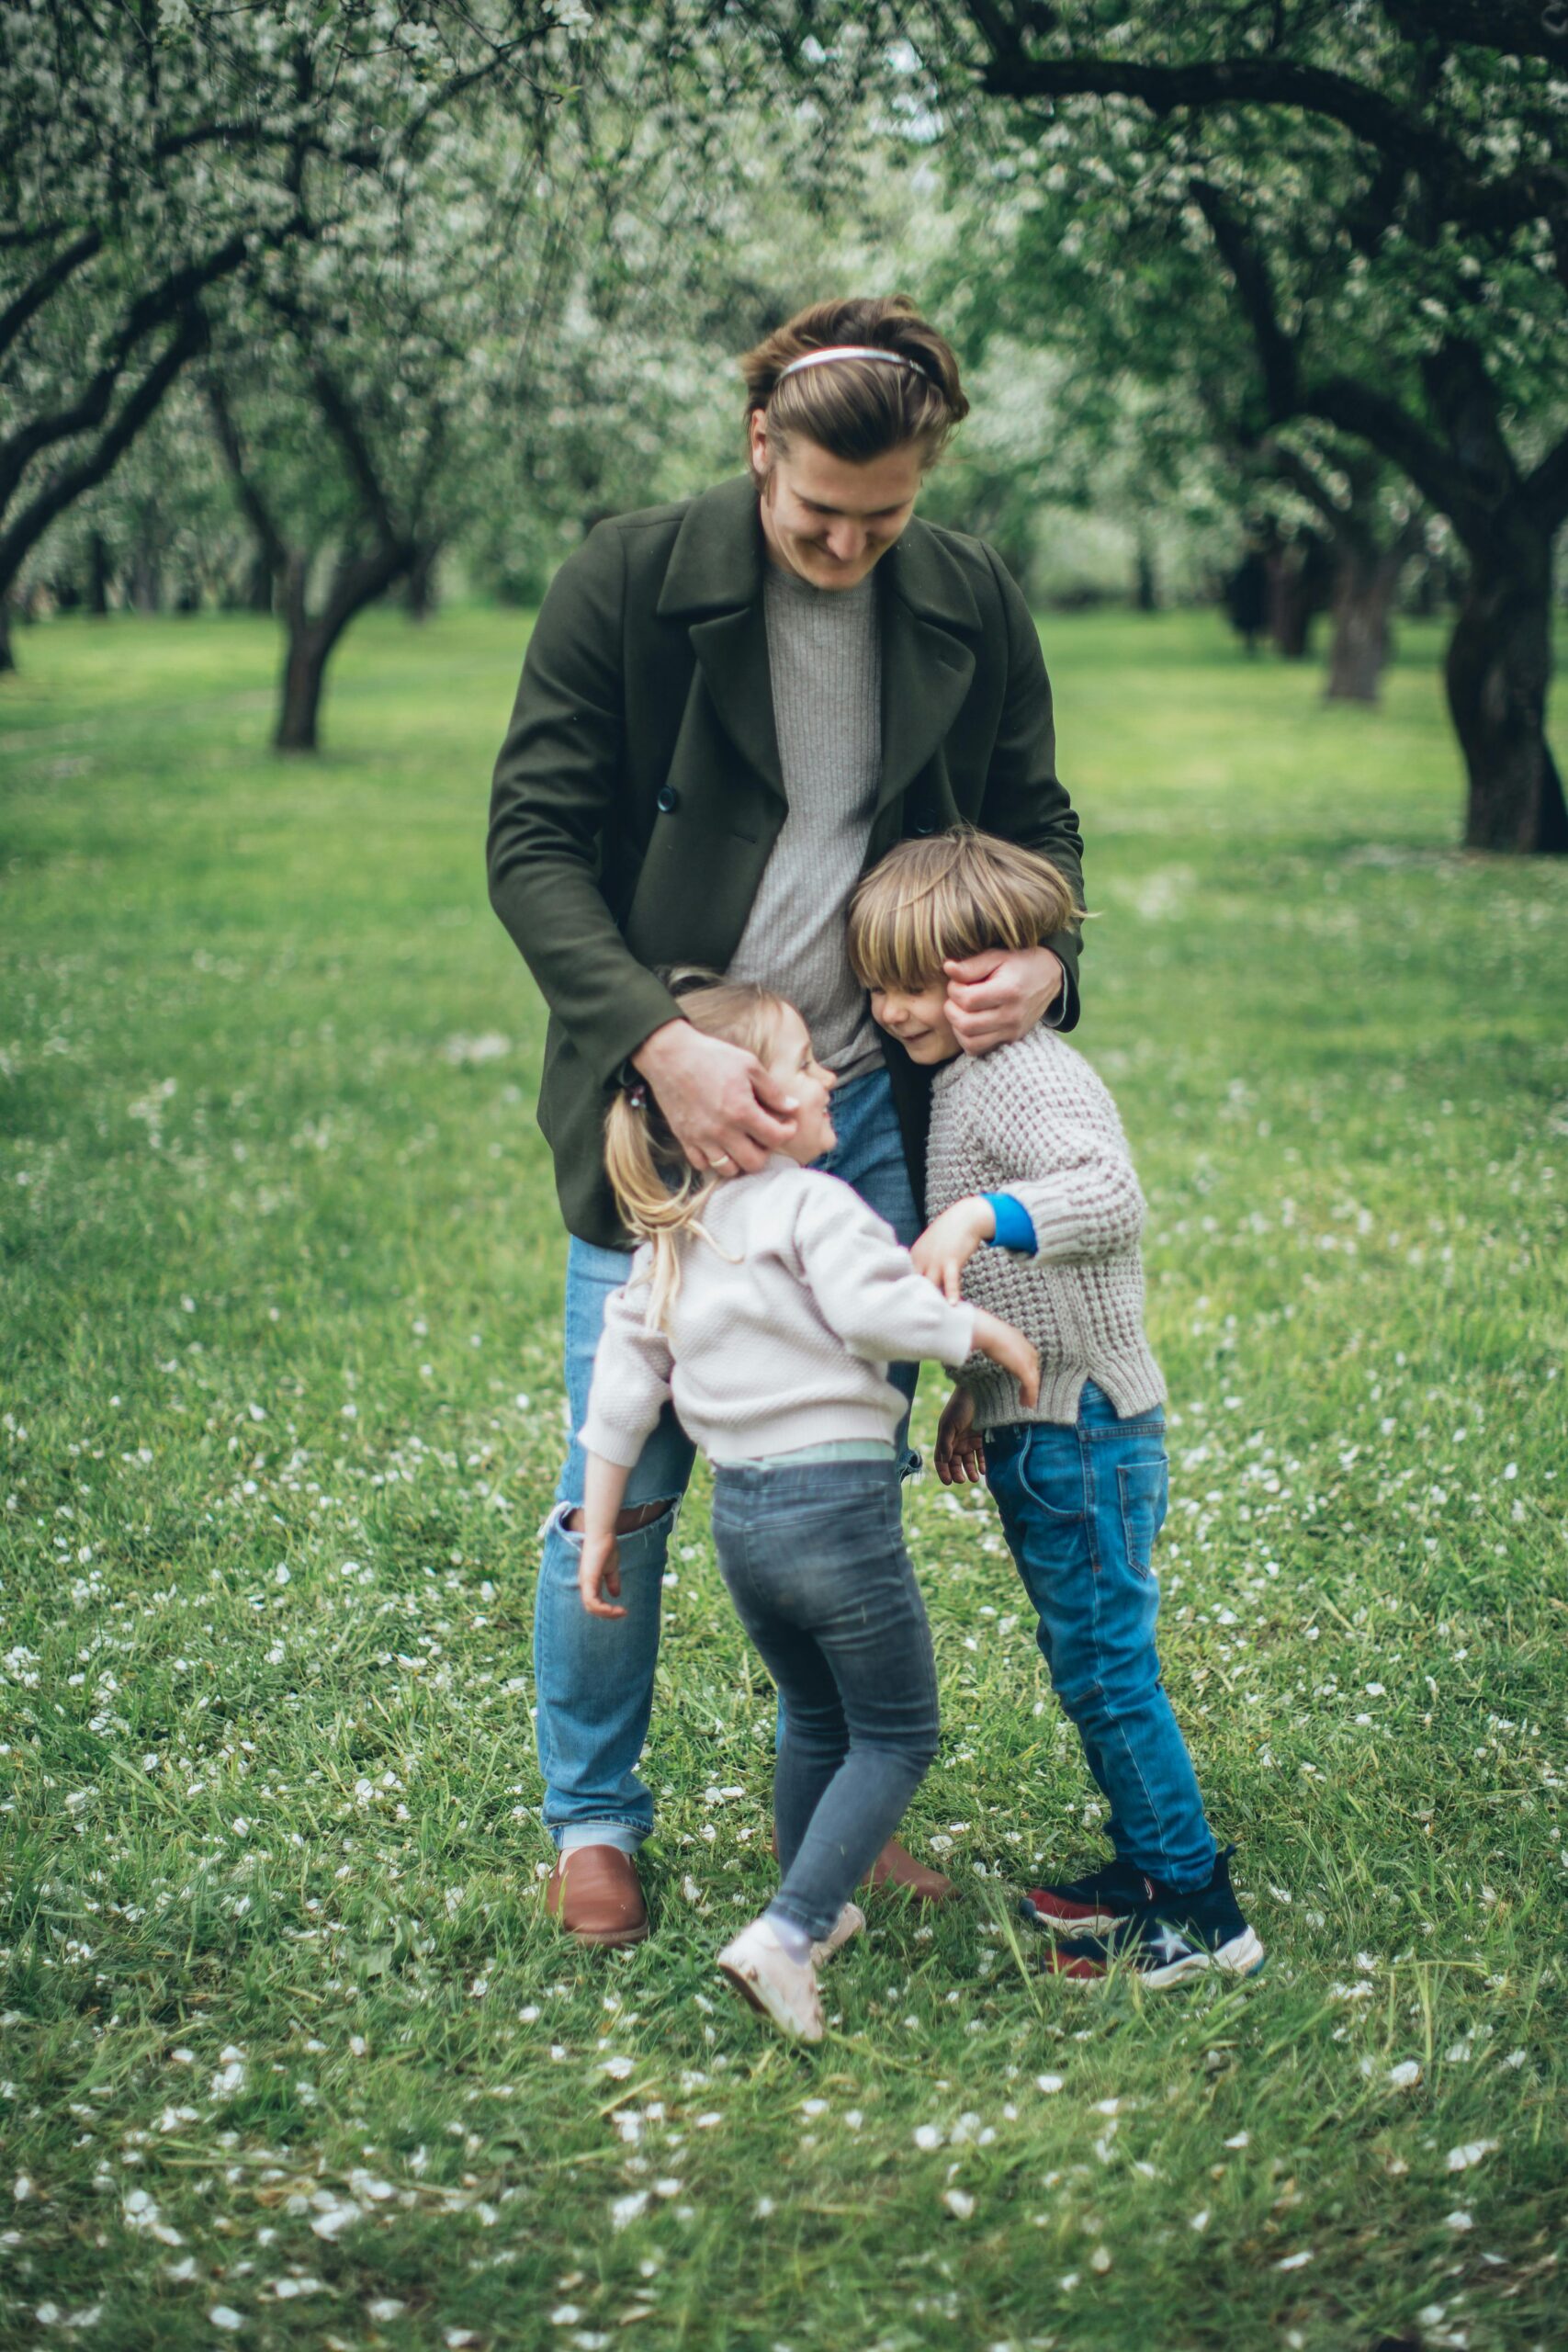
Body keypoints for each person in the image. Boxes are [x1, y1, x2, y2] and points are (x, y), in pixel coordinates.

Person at [487, 294, 1084, 1947]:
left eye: (881, 518)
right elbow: (530, 848)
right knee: (633, 1467)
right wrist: (655, 1048)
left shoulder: (964, 596)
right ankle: (594, 1823)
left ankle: (823, 1808)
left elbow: (1037, 829)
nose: (845, 545)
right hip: (666, 1108)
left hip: (862, 1107)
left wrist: (1039, 955)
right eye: (818, 511)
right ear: (759, 444)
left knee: (831, 1475)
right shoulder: (627, 580)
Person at [574, 972, 1039, 2034]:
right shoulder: (814, 1203)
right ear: (742, 1106)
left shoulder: (675, 1238)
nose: (831, 1071)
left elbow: (620, 1393)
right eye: (801, 1061)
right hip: (836, 1509)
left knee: (819, 1714)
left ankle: (812, 1908)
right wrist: (984, 1340)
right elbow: (874, 1311)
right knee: (896, 1730)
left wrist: (600, 1526)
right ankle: (789, 1930)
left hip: (744, 1526)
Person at [847, 830, 1264, 1986]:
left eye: (910, 983)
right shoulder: (969, 1078)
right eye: (873, 983)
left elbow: (1107, 1193)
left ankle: (1196, 1911)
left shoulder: (1020, 1071)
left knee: (1107, 1669)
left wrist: (979, 1218)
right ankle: (1146, 1865)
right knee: (1089, 1660)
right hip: (1048, 1424)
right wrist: (976, 1397)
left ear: (983, 970)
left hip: (1088, 1431)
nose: (886, 1009)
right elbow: (1022, 1299)